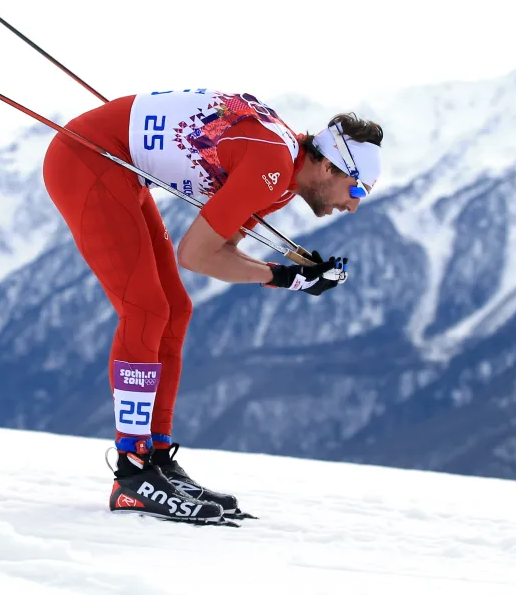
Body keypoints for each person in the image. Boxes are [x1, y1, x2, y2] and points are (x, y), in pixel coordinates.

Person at [41, 89, 383, 524]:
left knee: (174, 309)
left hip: (113, 163)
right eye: (356, 188)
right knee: (145, 309)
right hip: (87, 160)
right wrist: (284, 276)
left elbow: (219, 252)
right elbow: (197, 255)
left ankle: (156, 456)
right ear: (329, 166)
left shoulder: (282, 176)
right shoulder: (272, 168)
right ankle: (132, 471)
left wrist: (293, 276)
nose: (353, 205)